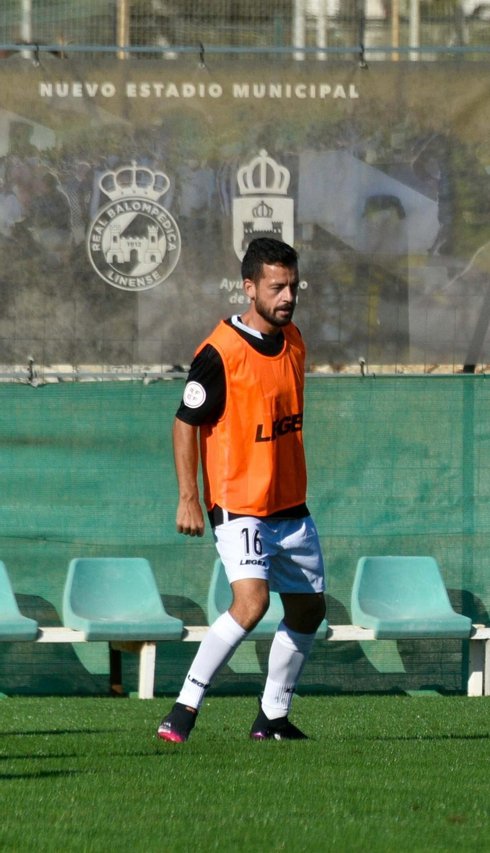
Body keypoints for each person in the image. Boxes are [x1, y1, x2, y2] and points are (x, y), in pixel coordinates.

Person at [158, 238, 325, 743]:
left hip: (290, 503)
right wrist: (190, 495)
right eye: (277, 286)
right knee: (251, 604)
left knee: (308, 609)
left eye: (293, 285)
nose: (288, 295)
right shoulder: (220, 352)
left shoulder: (294, 339)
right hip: (239, 504)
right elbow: (185, 422)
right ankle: (184, 708)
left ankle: (272, 717)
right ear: (249, 288)